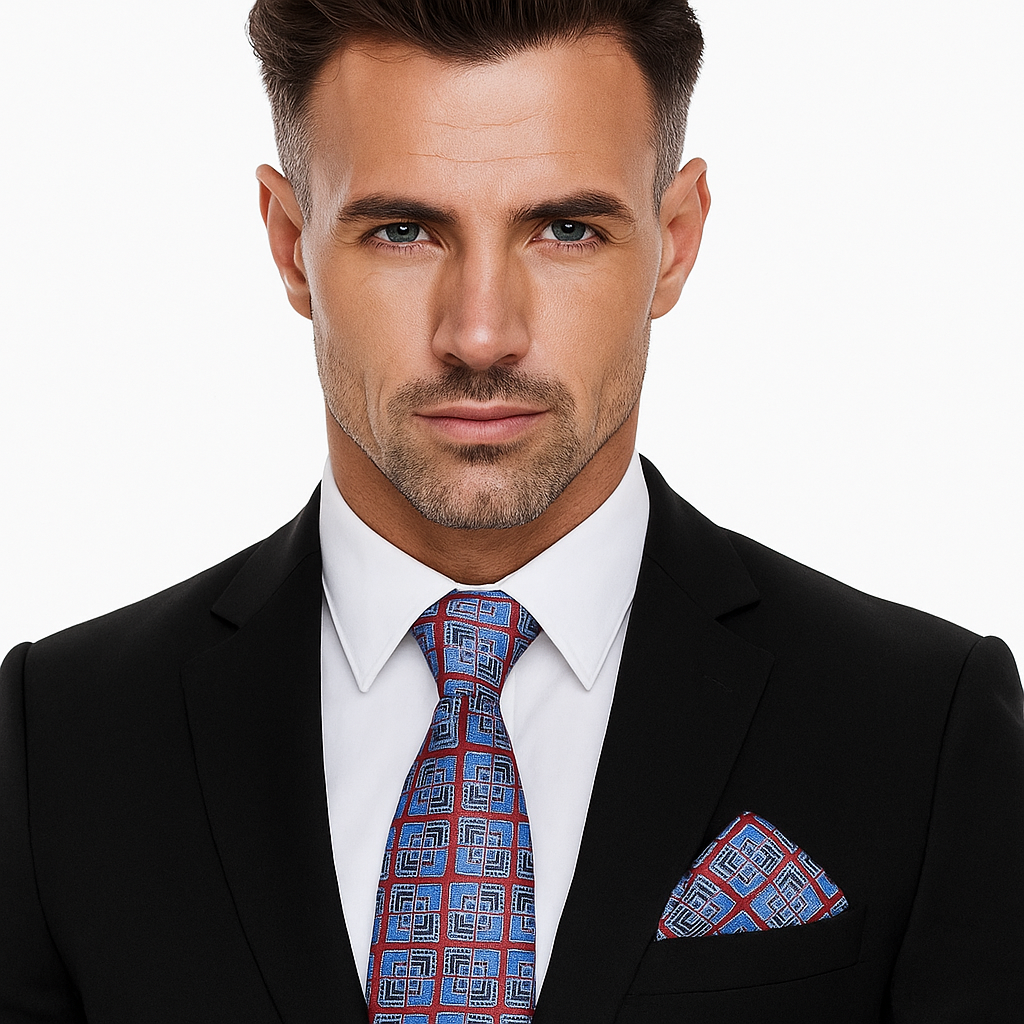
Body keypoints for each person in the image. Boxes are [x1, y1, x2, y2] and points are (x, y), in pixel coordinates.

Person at [2, 1, 1021, 1021]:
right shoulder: (59, 745)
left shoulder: (922, 730)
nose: (481, 333)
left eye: (564, 228)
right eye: (402, 230)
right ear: (289, 242)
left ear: (673, 240)